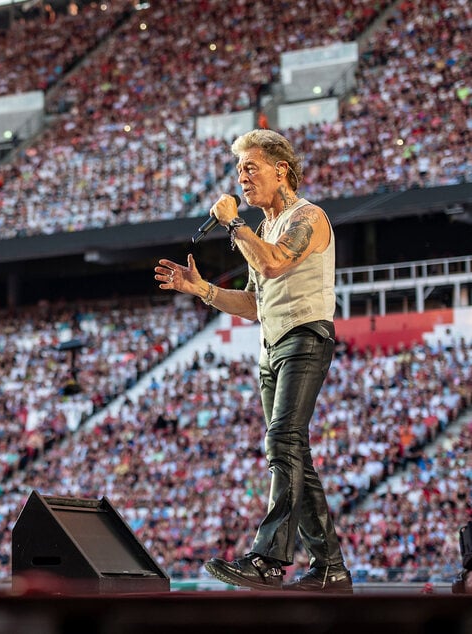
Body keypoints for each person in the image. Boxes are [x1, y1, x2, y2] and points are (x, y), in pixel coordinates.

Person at [153, 128, 352, 593]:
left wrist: (232, 224)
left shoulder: (309, 217)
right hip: (272, 344)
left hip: (306, 334)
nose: (242, 178)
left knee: (283, 439)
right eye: (238, 169)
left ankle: (268, 560)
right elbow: (253, 303)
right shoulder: (261, 229)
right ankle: (330, 568)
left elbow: (275, 264)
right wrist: (200, 289)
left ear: (280, 168)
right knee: (292, 450)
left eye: (250, 167)